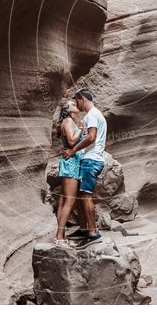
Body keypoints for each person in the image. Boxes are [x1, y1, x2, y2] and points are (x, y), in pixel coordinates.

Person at [63, 88, 107, 248]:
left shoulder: (92, 115)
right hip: (90, 159)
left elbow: (91, 137)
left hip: (92, 160)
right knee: (82, 195)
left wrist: (73, 150)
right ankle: (84, 229)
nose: (77, 105)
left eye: (77, 101)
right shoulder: (95, 114)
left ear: (83, 99)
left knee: (86, 196)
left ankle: (93, 233)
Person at [52, 100, 84, 247]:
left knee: (64, 201)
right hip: (71, 163)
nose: (76, 105)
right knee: (69, 201)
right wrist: (81, 129)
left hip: (70, 163)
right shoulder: (69, 121)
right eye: (73, 104)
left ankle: (61, 236)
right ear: (68, 109)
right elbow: (71, 142)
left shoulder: (68, 121)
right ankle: (59, 238)